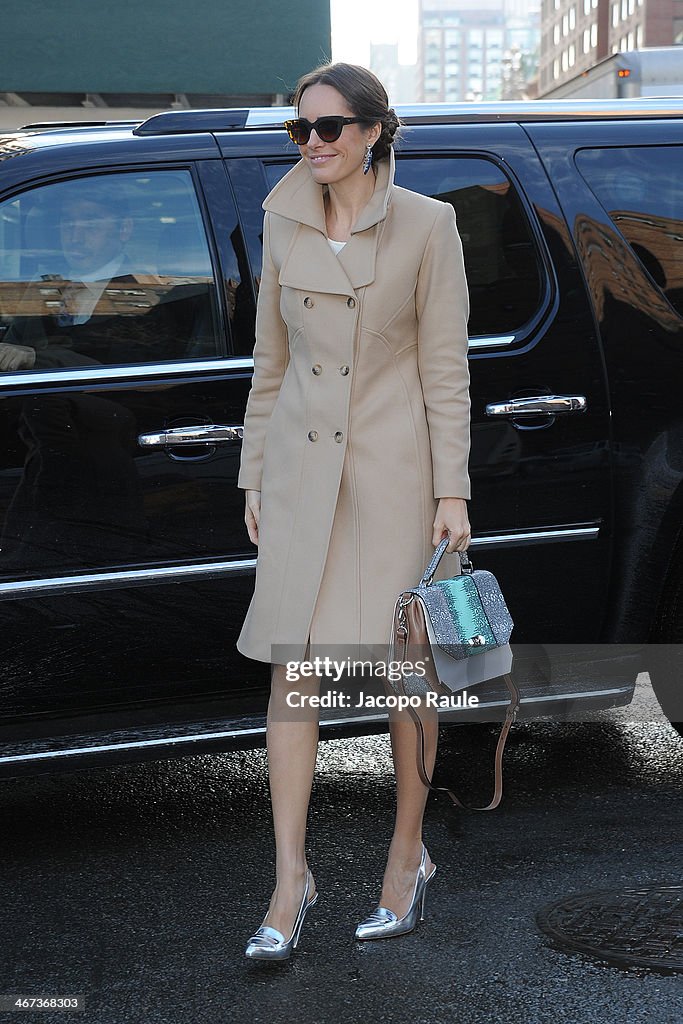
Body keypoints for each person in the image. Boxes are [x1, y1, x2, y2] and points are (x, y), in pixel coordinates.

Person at [237, 62, 472, 960]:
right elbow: (270, 361)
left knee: (402, 675)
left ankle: (407, 858)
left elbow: (444, 369)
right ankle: (289, 881)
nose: (312, 145)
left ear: (374, 131)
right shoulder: (281, 216)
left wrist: (451, 490)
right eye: (299, 131)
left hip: (392, 477)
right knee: (291, 678)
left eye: (329, 129)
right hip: (300, 480)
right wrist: (254, 475)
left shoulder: (428, 224)